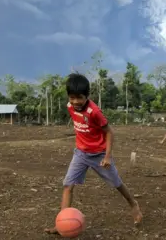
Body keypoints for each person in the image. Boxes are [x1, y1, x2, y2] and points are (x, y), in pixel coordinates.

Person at [45, 73, 142, 234]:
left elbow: (109, 132)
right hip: (81, 154)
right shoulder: (70, 107)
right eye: (72, 97)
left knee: (117, 183)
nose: (75, 102)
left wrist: (107, 156)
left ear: (87, 96)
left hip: (98, 155)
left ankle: (133, 204)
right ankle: (61, 223)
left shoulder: (94, 111)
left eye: (79, 98)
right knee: (68, 185)